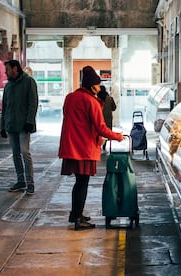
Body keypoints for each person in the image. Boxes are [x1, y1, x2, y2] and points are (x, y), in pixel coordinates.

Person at [58, 66, 123, 230]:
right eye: (98, 84)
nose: (100, 87)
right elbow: (100, 127)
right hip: (83, 147)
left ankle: (75, 213)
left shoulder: (70, 97)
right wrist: (118, 137)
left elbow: (77, 117)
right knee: (82, 183)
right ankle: (78, 219)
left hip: (70, 145)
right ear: (91, 85)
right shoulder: (91, 101)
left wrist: (100, 101)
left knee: (78, 182)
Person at [0, 60, 38, 195]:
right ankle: (20, 181)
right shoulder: (8, 86)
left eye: (8, 70)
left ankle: (30, 182)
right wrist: (2, 126)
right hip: (11, 125)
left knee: (25, 153)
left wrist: (29, 121)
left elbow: (33, 103)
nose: (6, 73)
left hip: (23, 125)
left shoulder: (29, 82)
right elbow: (4, 106)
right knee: (15, 154)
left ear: (15, 69)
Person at [97, 85, 117, 150]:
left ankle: (98, 146)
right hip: (108, 119)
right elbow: (114, 108)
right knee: (106, 133)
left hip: (98, 118)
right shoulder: (110, 99)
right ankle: (104, 146)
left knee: (98, 132)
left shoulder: (96, 99)